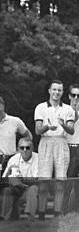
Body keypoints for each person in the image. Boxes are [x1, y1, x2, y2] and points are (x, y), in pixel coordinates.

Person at [34, 79, 74, 219]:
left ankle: (58, 212)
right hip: (46, 142)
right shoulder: (41, 107)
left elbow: (72, 130)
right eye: (54, 89)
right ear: (49, 91)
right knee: (43, 180)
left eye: (59, 90)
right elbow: (38, 130)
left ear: (63, 92)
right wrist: (47, 127)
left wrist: (63, 125)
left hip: (61, 143)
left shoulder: (68, 109)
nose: (57, 92)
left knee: (60, 180)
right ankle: (41, 213)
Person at [0, 96, 32, 169]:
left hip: (12, 159)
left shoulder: (15, 121)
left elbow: (29, 137)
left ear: (1, 107)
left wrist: (20, 151)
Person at [1, 139, 39, 221]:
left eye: (27, 148)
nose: (25, 150)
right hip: (16, 188)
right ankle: (4, 218)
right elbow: (5, 178)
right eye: (22, 148)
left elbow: (37, 179)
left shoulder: (38, 159)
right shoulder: (13, 159)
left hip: (30, 187)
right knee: (7, 190)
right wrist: (13, 179)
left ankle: (31, 217)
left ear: (32, 148)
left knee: (33, 189)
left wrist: (20, 181)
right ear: (18, 149)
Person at [64, 84, 79, 213]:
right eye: (73, 95)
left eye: (78, 95)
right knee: (69, 179)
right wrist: (75, 112)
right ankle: (65, 209)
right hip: (69, 148)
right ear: (69, 96)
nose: (76, 98)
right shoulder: (64, 110)